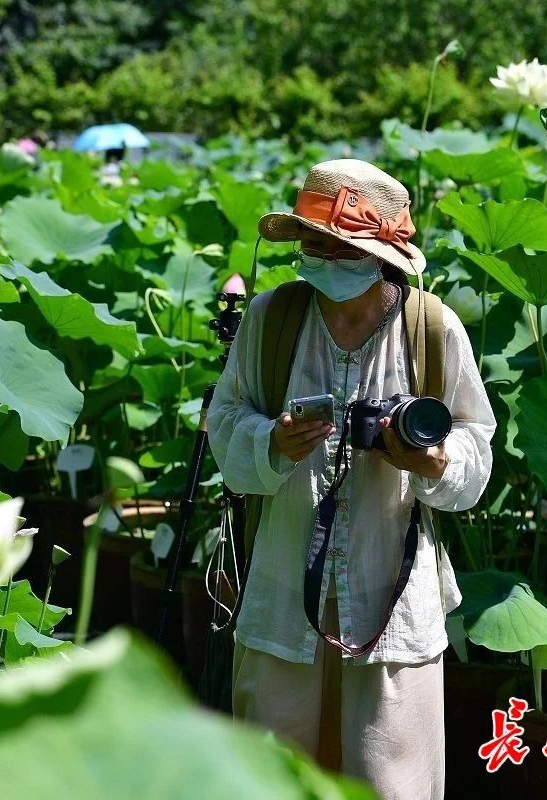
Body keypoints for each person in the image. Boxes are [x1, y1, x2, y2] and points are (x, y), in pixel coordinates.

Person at [207, 159, 495, 800]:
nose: (322, 258)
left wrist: (428, 460)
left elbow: (478, 448)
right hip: (284, 588)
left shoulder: (431, 329)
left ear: (382, 256)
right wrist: (271, 442)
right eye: (312, 245)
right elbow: (224, 421)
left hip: (389, 591)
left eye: (338, 248)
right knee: (275, 777)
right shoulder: (271, 319)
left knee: (388, 778)